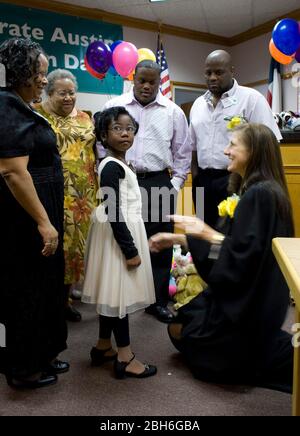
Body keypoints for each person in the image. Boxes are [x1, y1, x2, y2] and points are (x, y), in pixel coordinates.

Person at [150, 123, 294, 392]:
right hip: (249, 296)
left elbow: (243, 256)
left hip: (249, 305)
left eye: (233, 145)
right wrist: (180, 238)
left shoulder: (260, 195)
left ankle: (260, 354)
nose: (226, 151)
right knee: (180, 324)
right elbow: (237, 244)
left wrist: (203, 232)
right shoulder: (256, 190)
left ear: (253, 152)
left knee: (186, 336)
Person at [0, 38, 68, 388]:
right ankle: (23, 369)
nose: (44, 79)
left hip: (42, 209)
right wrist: (44, 222)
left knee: (45, 286)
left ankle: (42, 353)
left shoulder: (20, 104)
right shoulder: (7, 105)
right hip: (25, 220)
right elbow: (13, 171)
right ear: (22, 73)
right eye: (40, 73)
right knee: (26, 289)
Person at [102, 60, 191, 323]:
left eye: (153, 81)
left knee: (160, 243)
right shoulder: (114, 107)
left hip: (158, 182)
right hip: (122, 180)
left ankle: (158, 302)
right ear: (133, 78)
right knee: (122, 237)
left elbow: (183, 153)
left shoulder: (173, 112)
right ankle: (123, 296)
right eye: (142, 79)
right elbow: (100, 143)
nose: (147, 85)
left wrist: (174, 185)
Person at [82, 107, 157, 379]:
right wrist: (130, 250)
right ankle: (125, 357)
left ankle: (103, 345)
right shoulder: (111, 166)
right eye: (117, 128)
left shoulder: (120, 163)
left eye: (129, 128)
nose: (125, 133)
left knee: (112, 295)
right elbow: (113, 209)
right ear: (104, 135)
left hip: (121, 229)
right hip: (119, 234)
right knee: (120, 297)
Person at [190, 49, 282, 228]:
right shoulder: (198, 104)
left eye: (219, 72)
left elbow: (270, 144)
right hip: (202, 182)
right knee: (202, 232)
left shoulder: (251, 99)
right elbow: (192, 147)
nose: (213, 77)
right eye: (208, 73)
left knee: (231, 232)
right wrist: (196, 178)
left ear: (232, 71)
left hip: (235, 178)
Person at [35, 69, 98, 322]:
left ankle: (65, 300)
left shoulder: (85, 117)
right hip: (50, 192)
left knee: (75, 249)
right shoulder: (37, 115)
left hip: (82, 195)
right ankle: (47, 302)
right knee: (51, 246)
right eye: (62, 93)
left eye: (72, 92)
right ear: (48, 93)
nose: (69, 97)